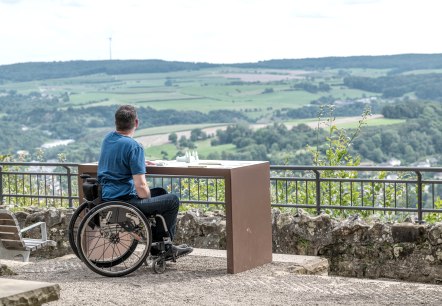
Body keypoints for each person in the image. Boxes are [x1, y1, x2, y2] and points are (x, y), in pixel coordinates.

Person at [97, 104, 193, 260]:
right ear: (136, 123)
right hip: (125, 201)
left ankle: (157, 246)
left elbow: (119, 159)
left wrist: (140, 162)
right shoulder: (134, 146)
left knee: (161, 193)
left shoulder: (108, 138)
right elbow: (141, 187)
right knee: (172, 200)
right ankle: (165, 248)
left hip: (108, 198)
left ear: (116, 122)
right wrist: (147, 198)